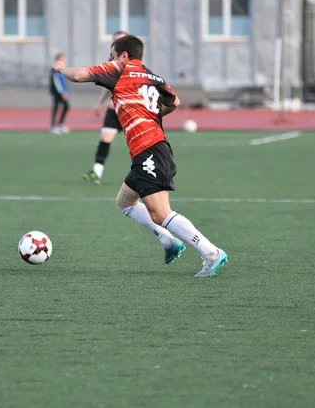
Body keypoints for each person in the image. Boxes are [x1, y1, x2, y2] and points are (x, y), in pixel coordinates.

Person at [54, 34, 228, 277]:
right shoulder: (150, 75)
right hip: (150, 149)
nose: (109, 59)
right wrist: (150, 114)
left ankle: (211, 252)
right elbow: (174, 101)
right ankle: (168, 241)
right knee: (125, 202)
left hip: (150, 149)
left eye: (112, 55)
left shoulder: (120, 69)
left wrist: (61, 68)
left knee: (160, 213)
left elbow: (79, 74)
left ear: (124, 56)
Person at [81, 30, 128, 184]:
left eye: (120, 40)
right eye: (115, 41)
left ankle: (149, 173)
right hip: (113, 109)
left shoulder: (133, 63)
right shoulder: (111, 62)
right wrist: (100, 103)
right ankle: (97, 172)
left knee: (140, 142)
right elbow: (108, 86)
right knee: (105, 138)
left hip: (130, 109)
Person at [49, 53, 70, 134]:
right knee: (56, 108)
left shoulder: (62, 68)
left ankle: (60, 124)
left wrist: (65, 91)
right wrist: (62, 92)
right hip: (57, 92)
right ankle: (53, 126)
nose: (63, 60)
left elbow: (63, 81)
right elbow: (56, 81)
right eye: (62, 59)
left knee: (66, 107)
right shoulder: (55, 68)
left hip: (62, 91)